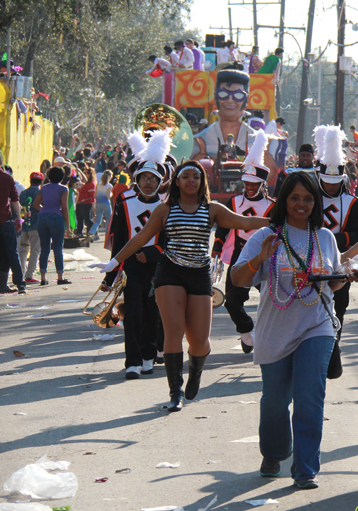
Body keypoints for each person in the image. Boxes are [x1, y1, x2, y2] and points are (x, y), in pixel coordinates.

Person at [90, 161, 269, 411]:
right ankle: (175, 391)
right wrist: (113, 263)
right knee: (173, 333)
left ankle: (195, 372)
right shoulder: (165, 209)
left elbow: (244, 223)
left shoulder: (213, 209)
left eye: (196, 177)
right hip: (169, 273)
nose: (191, 181)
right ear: (176, 181)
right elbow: (141, 238)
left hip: (199, 275)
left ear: (202, 182)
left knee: (199, 341)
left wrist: (283, 219)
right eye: (185, 176)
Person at [230, 171, 344, 489]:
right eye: (294, 197)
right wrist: (260, 260)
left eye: (308, 198)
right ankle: (275, 452)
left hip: (316, 325)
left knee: (310, 399)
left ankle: (305, 469)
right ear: (284, 200)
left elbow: (334, 282)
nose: (301, 204)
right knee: (275, 402)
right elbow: (238, 279)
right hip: (275, 330)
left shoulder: (324, 237)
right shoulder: (265, 237)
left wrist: (343, 274)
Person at [103, 146, 167, 380]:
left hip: (157, 267)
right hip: (131, 267)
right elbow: (119, 237)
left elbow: (171, 236)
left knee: (153, 313)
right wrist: (111, 274)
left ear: (160, 181)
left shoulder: (167, 203)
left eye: (153, 179)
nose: (148, 183)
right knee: (132, 314)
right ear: (137, 180)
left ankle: (149, 356)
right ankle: (132, 361)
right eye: (144, 178)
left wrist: (154, 252)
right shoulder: (124, 199)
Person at [315, 125, 358, 379]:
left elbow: (357, 235)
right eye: (325, 182)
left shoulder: (352, 203)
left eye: (334, 182)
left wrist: (330, 238)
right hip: (311, 261)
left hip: (341, 261)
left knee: (339, 308)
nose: (329, 187)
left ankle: (331, 350)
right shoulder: (308, 198)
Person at [212, 133, 275, 354]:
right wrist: (217, 247)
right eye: (247, 183)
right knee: (232, 301)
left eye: (254, 184)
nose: (249, 187)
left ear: (262, 185)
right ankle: (247, 331)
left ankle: (272, 337)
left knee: (273, 300)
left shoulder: (272, 205)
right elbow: (223, 225)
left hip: (266, 256)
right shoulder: (234, 201)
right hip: (240, 255)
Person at [193, 69, 252, 158]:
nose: (229, 101)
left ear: (246, 99)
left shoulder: (257, 140)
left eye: (238, 95)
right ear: (216, 97)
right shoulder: (200, 139)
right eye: (223, 94)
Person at [31, 166, 71, 286]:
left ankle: (43, 277)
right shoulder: (63, 189)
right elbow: (64, 207)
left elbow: (36, 204)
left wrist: (44, 210)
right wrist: (68, 225)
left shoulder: (44, 188)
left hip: (42, 217)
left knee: (44, 248)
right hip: (56, 217)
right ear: (62, 177)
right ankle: (60, 276)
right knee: (58, 247)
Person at [0, 153, 25, 294]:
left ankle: (0, 284)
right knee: (12, 252)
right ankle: (20, 284)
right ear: (1, 162)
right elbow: (14, 200)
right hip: (6, 221)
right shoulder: (8, 178)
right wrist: (18, 219)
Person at [19, 172, 43, 284]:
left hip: (23, 225)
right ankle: (29, 276)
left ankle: (20, 274)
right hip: (36, 225)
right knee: (35, 250)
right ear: (41, 182)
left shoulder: (23, 193)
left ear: (30, 180)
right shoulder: (40, 193)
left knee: (22, 251)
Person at [92, 170, 113, 240]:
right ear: (110, 177)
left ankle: (91, 231)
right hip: (106, 203)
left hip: (98, 203)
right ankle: (107, 235)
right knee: (109, 220)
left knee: (98, 220)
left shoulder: (98, 185)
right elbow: (108, 196)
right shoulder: (109, 186)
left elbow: (95, 195)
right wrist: (111, 194)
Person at [76, 166, 96, 238]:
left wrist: (93, 207)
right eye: (85, 173)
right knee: (80, 219)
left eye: (86, 173)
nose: (85, 174)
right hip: (79, 203)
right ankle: (79, 233)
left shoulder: (91, 184)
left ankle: (94, 232)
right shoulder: (85, 183)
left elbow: (92, 196)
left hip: (86, 204)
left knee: (87, 220)